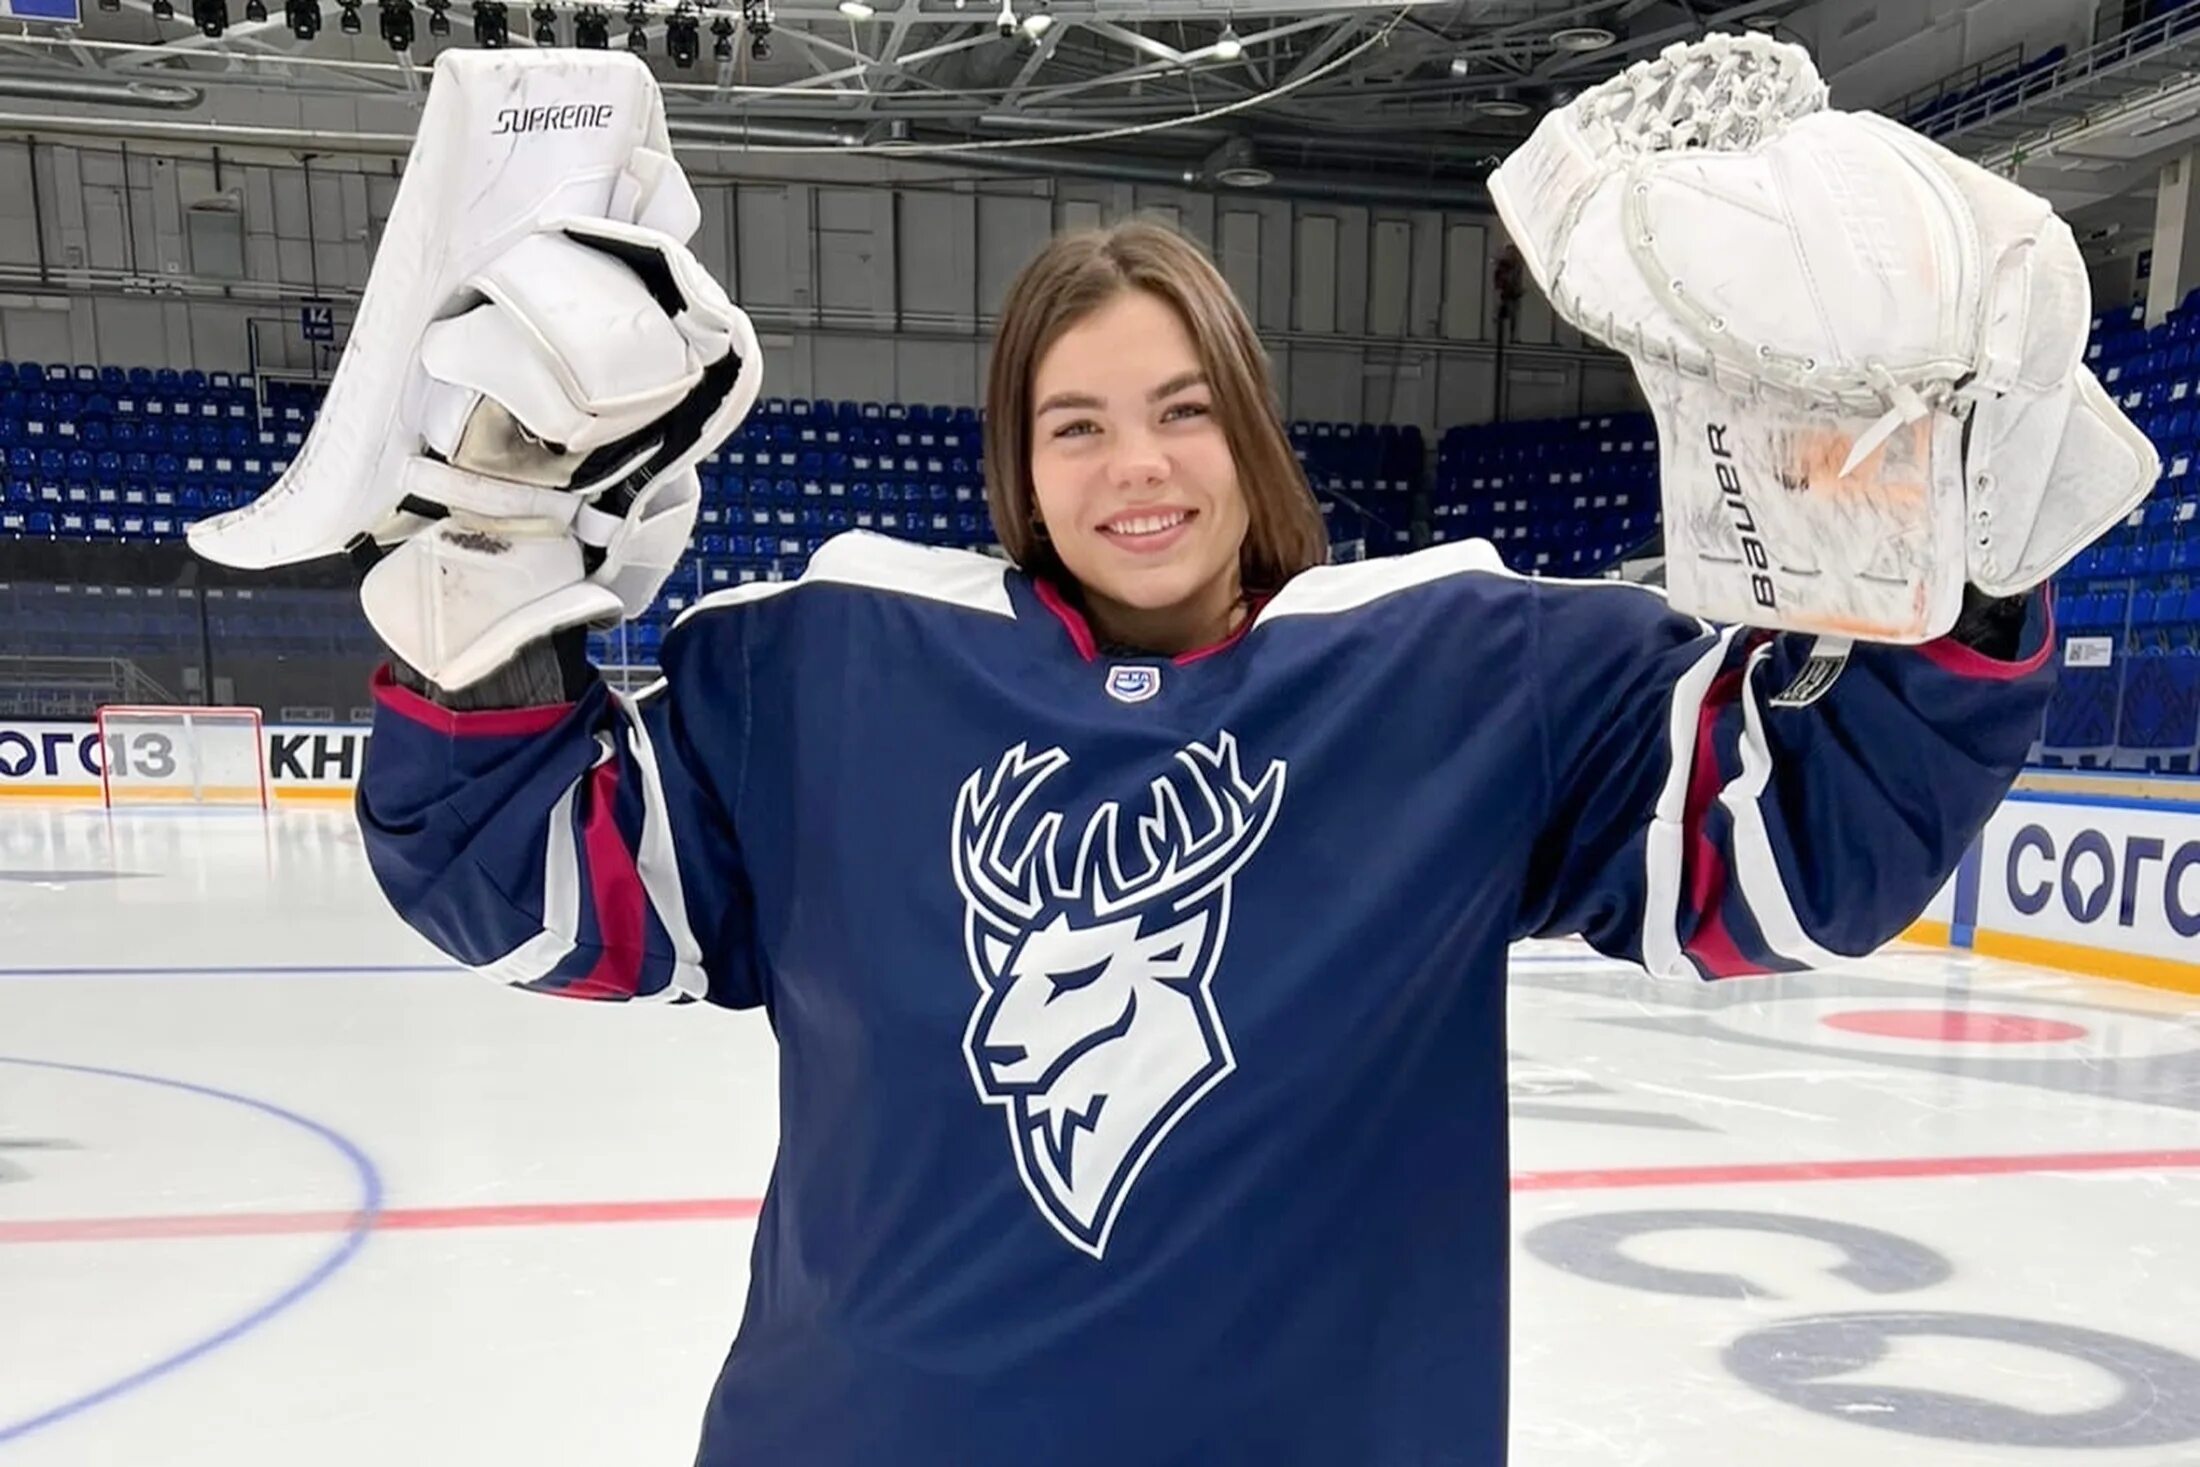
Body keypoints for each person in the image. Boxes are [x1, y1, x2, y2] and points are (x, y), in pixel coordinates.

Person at [355, 217, 2058, 1466]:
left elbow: (1802, 861)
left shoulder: (1468, 667)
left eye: (1180, 409)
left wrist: (1948, 555)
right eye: (1074, 423)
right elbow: (523, 876)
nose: (1136, 467)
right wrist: (487, 565)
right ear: (1018, 462)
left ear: (1249, 421)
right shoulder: (832, 660)